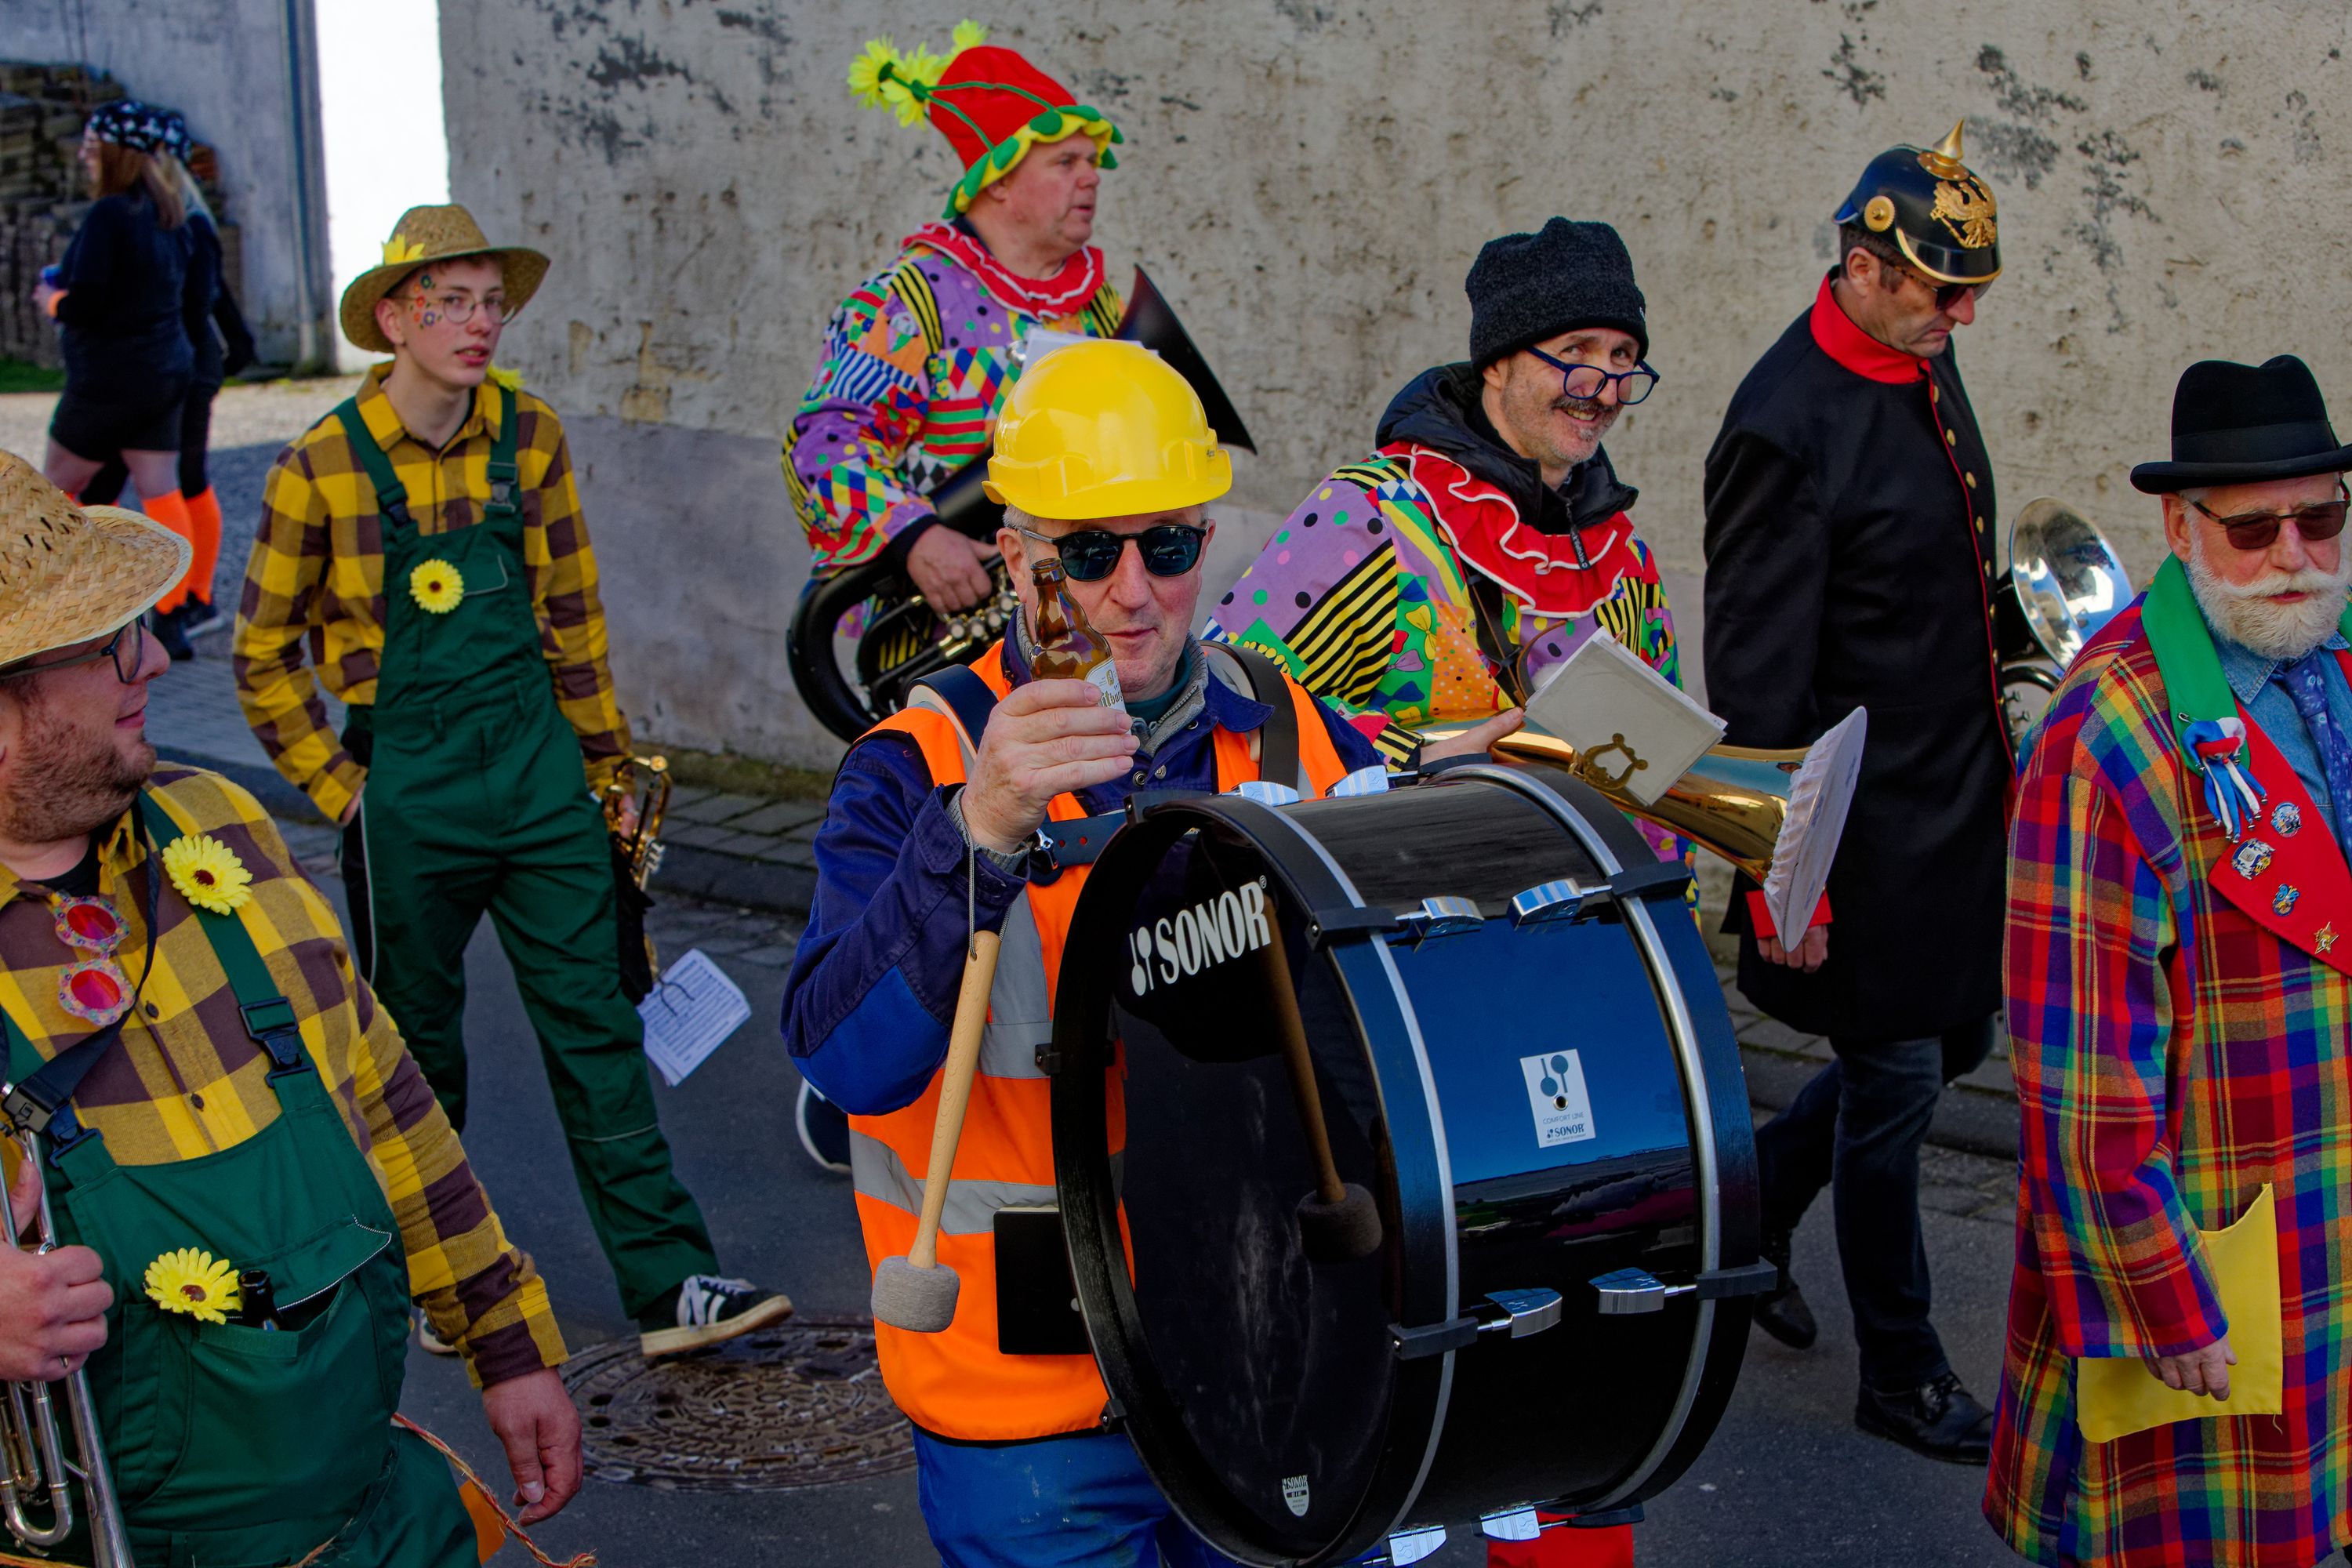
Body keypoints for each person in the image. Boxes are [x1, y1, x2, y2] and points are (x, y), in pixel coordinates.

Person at [785, 339, 1485, 1564]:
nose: (1131, 593)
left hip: (1263, 1351)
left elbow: (1388, 1056)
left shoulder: (1290, 737)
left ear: (1205, 541)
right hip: (1030, 1400)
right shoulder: (918, 762)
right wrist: (978, 835)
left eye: (1166, 546)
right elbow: (848, 1064)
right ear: (1015, 557)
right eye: (1086, 554)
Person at [0, 449, 579, 1565]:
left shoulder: (218, 822)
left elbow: (387, 1096)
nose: (158, 660)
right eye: (109, 640)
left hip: (377, 1523)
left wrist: (508, 1345)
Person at [232, 205, 786, 1358]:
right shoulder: (318, 467)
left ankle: (670, 1286)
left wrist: (606, 767)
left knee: (595, 1028)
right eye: (454, 303)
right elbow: (260, 653)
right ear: (395, 318)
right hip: (405, 788)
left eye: (494, 303)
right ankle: (441, 1283)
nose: (480, 325)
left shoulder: (527, 435)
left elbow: (573, 619)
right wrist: (344, 793)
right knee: (416, 1049)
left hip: (538, 772)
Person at [1986, 356, 2352, 1566]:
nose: (2295, 554)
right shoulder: (2103, 736)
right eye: (2253, 531)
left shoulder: (2341, 655)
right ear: (2181, 526)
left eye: (2323, 518)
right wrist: (2158, 1291)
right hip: (2217, 1235)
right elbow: (2078, 1069)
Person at [1700, 123, 2008, 1462]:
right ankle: (1904, 1367)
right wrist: (1783, 870)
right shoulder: (1783, 425)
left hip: (1955, 802)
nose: (1965, 312)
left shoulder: (1920, 358)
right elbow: (1759, 677)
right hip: (1859, 832)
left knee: (1941, 1054)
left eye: (1974, 286)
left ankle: (1759, 1204)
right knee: (1895, 1091)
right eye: (1944, 288)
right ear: (1863, 262)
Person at [785, 19, 1128, 1167]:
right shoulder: (914, 296)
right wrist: (912, 531)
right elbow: (824, 437)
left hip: (1063, 625)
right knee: (923, 844)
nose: (1090, 182)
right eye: (1065, 161)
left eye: (1093, 161)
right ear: (996, 177)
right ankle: (861, 1061)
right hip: (942, 637)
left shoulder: (1096, 304)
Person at [1209, 217, 1675, 783]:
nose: (1602, 384)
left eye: (1623, 356)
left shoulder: (1625, 561)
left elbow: (1655, 773)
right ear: (1498, 364)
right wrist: (1416, 761)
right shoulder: (1368, 516)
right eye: (1576, 349)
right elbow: (1231, 693)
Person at [82, 109, 257, 655]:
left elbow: (205, 298)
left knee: (176, 480)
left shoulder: (181, 222)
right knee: (148, 482)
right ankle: (164, 602)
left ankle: (184, 602)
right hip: (165, 368)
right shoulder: (163, 219)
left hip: (169, 369)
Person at [33, 100, 195, 650]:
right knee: (160, 490)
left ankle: (70, 611)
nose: (82, 155)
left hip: (108, 380)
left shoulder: (109, 215)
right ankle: (175, 613)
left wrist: (54, 300)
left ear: (115, 153)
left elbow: (90, 302)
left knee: (54, 495)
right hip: (164, 371)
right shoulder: (170, 211)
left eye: (91, 145)